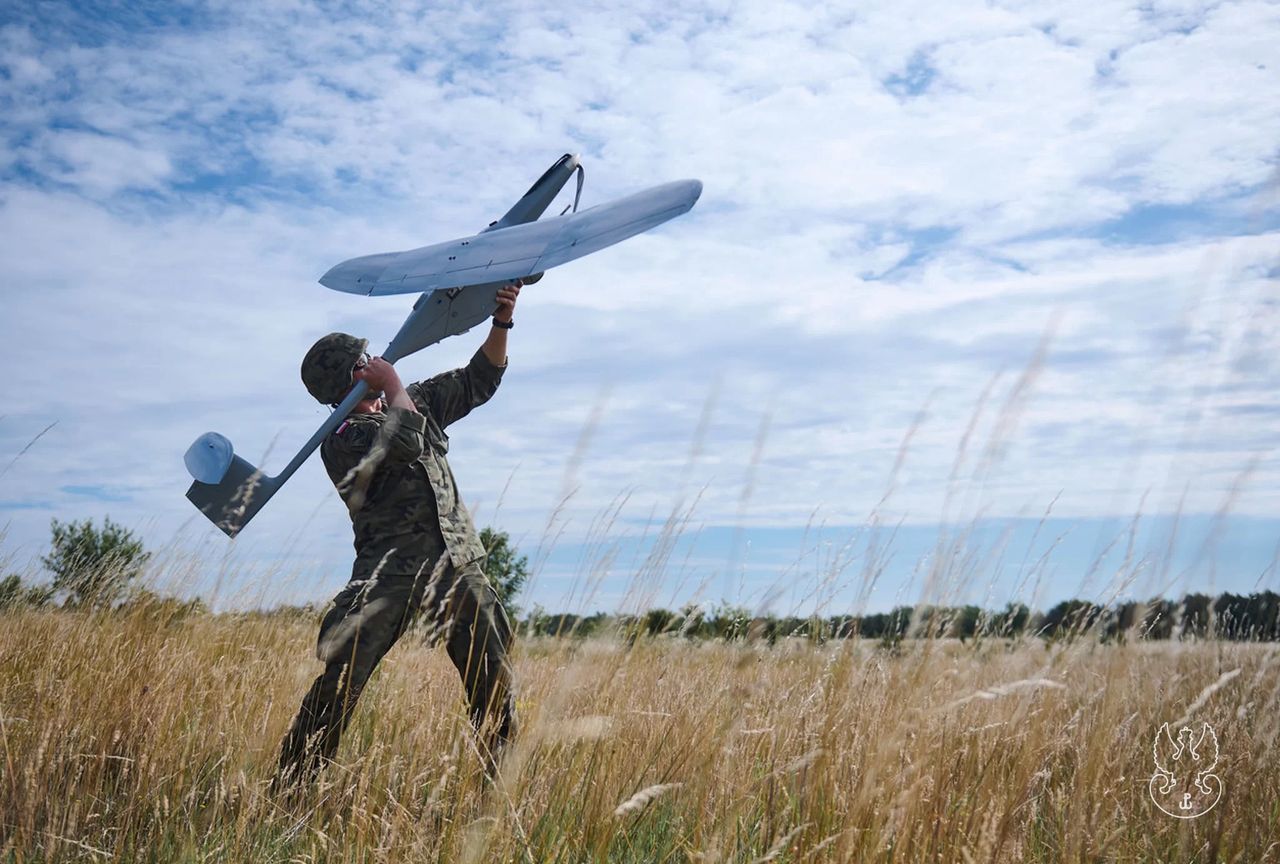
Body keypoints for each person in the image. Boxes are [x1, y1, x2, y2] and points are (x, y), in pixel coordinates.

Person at [275, 282, 523, 788]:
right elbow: (405, 442)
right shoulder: (342, 440)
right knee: (341, 683)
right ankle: (291, 787)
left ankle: (495, 792)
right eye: (363, 359)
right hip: (388, 576)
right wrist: (391, 386)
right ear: (348, 378)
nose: (376, 358)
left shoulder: (414, 400)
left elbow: (480, 381)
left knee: (492, 678)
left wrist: (501, 319)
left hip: (458, 564)